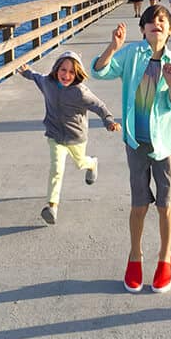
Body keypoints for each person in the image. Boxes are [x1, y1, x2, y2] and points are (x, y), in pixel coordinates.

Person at [92, 5, 171, 294]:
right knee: (138, 204)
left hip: (164, 144)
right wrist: (113, 46)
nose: (156, 24)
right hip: (135, 142)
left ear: (170, 30)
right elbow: (100, 71)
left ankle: (165, 257)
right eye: (150, 21)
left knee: (165, 204)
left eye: (162, 20)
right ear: (143, 29)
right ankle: (135, 256)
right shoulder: (132, 54)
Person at [19, 50, 121, 225]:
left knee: (80, 163)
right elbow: (37, 77)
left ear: (77, 74)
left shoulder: (80, 92)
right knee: (57, 169)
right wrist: (27, 72)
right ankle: (52, 206)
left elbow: (99, 105)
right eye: (63, 70)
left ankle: (92, 163)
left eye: (72, 72)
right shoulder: (48, 83)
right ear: (56, 69)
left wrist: (109, 121)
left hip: (76, 137)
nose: (66, 75)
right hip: (55, 136)